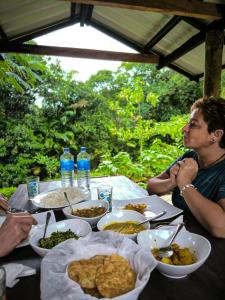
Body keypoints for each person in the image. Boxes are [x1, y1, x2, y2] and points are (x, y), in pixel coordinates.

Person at [147, 97, 225, 238]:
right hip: (177, 236)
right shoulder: (189, 157)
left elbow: (221, 228)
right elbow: (151, 186)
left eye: (193, 125)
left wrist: (185, 183)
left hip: (211, 252)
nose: (184, 128)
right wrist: (173, 181)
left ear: (216, 135)